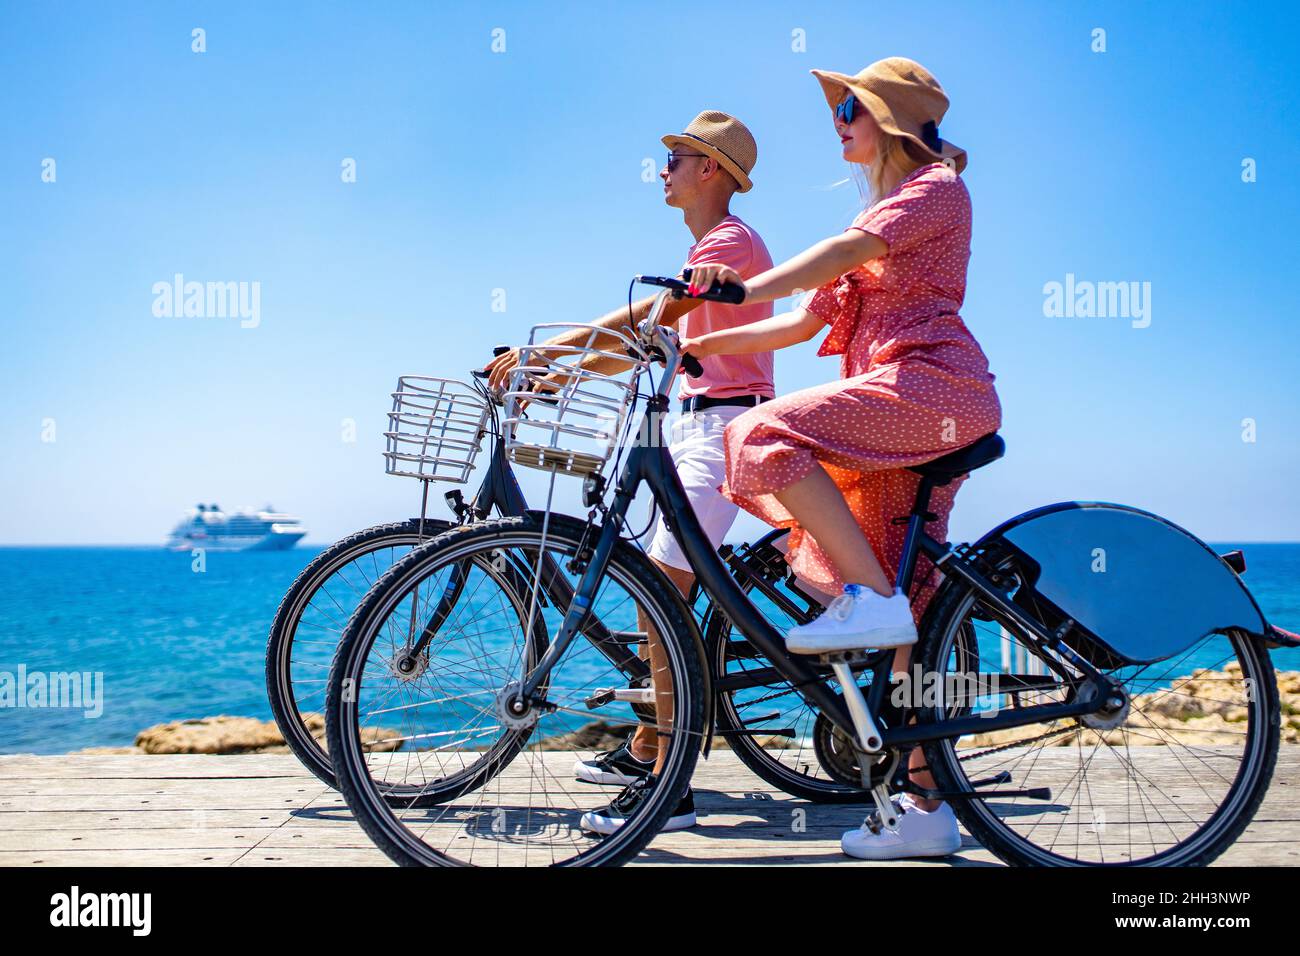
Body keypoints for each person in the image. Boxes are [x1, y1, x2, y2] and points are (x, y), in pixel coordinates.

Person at [682, 58, 1001, 860]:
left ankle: (869, 597)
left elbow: (828, 254)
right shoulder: (886, 217)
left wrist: (734, 290)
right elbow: (795, 324)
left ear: (890, 116)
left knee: (758, 434)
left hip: (931, 390)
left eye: (851, 105)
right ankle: (927, 812)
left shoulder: (934, 191)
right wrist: (695, 341)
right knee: (914, 617)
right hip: (900, 403)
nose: (839, 119)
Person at [484, 111, 775, 833]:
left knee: (661, 600)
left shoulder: (728, 243)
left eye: (673, 156)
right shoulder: (710, 244)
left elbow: (649, 314)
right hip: (692, 421)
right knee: (654, 589)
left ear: (710, 169)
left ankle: (667, 787)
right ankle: (651, 747)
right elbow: (647, 337)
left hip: (720, 428)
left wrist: (546, 358)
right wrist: (558, 371)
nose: (662, 168)